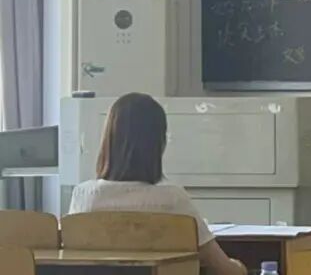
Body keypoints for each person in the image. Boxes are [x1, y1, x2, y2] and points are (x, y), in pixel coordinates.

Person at [68, 93, 246, 275]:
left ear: (108, 140)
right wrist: (240, 268)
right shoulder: (172, 199)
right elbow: (224, 269)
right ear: (158, 143)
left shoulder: (83, 196)